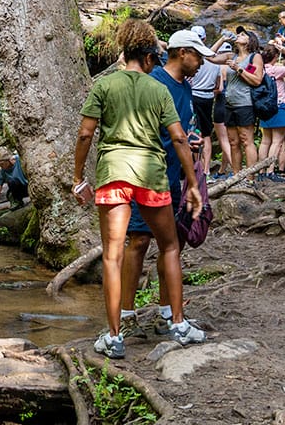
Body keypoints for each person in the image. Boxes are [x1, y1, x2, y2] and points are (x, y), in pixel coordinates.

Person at [72, 19, 206, 359]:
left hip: (114, 174)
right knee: (170, 247)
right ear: (147, 58)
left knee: (113, 256)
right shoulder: (158, 89)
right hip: (151, 176)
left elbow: (86, 133)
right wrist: (192, 184)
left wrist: (78, 179)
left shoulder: (104, 86)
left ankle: (115, 336)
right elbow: (178, 137)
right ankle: (177, 323)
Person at [120, 29, 212, 338]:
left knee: (171, 246)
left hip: (173, 180)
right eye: (198, 56)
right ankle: (126, 316)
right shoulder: (153, 82)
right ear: (182, 53)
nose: (201, 63)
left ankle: (165, 315)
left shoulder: (185, 88)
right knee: (138, 242)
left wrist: (191, 152)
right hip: (143, 177)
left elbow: (183, 132)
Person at [221, 28, 264, 180]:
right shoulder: (231, 56)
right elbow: (209, 56)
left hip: (245, 103)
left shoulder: (255, 57)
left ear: (250, 40)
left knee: (247, 141)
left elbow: (257, 80)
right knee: (233, 142)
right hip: (229, 103)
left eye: (243, 34)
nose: (238, 35)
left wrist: (239, 69)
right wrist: (223, 40)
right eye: (238, 34)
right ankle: (236, 177)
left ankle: (250, 178)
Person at [257, 44, 285, 178]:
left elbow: (246, 73)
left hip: (263, 107)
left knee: (265, 141)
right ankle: (270, 171)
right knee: (277, 141)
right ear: (276, 56)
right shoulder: (277, 70)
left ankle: (261, 171)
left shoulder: (257, 69)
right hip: (279, 106)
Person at [188, 25, 223, 173]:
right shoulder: (214, 59)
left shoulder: (191, 57)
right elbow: (217, 85)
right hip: (208, 97)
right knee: (207, 133)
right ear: (204, 38)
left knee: (195, 131)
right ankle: (207, 169)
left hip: (194, 95)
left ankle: (197, 167)